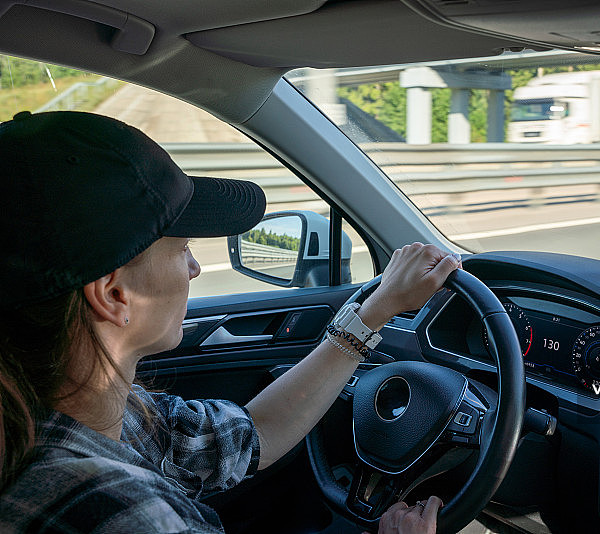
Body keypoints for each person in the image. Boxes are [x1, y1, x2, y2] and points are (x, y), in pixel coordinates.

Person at [0, 111, 459, 533]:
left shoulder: (63, 414)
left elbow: (254, 433)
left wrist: (373, 313)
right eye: (182, 249)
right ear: (115, 294)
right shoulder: (126, 514)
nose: (195, 268)